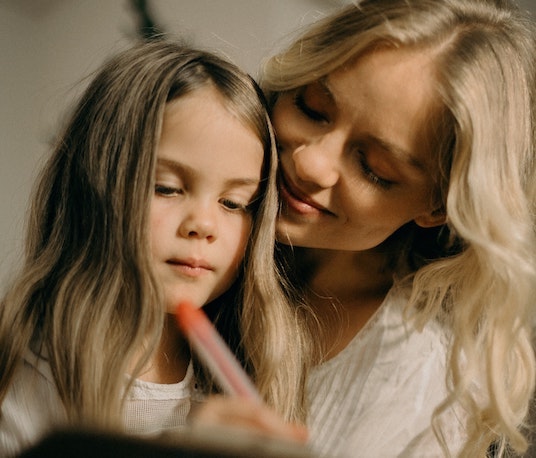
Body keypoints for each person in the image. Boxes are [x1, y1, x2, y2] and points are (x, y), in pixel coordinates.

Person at [196, 0, 536, 457]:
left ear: (437, 207)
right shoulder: (193, 227)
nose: (311, 163)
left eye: (376, 169)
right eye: (313, 108)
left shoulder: (418, 380)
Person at [0, 40, 309, 456]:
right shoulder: (30, 357)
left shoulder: (255, 361)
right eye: (166, 187)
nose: (203, 224)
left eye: (233, 203)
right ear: (96, 186)